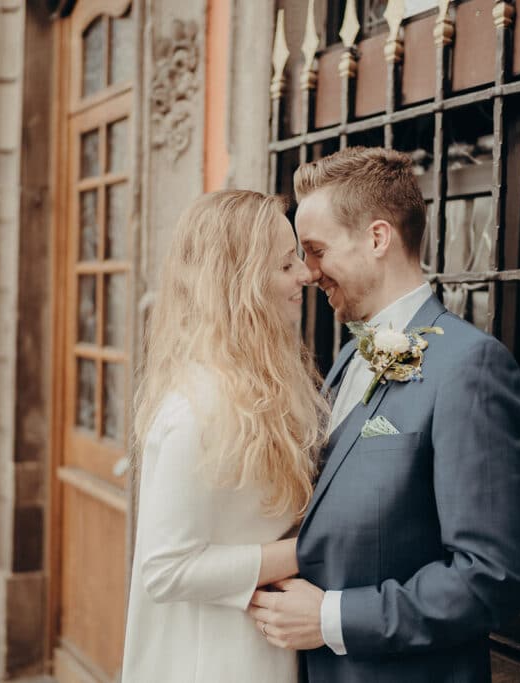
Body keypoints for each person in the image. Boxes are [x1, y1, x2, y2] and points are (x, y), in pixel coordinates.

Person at [246, 147, 520, 682]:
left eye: (315, 250)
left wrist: (331, 618)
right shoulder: (346, 357)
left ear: (378, 238)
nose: (308, 273)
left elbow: (492, 577)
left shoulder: (470, 368)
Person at [120, 190, 328, 682]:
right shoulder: (196, 409)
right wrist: (310, 552)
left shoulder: (263, 387)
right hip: (208, 660)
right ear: (240, 285)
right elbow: (166, 569)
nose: (305, 274)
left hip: (262, 648)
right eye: (284, 265)